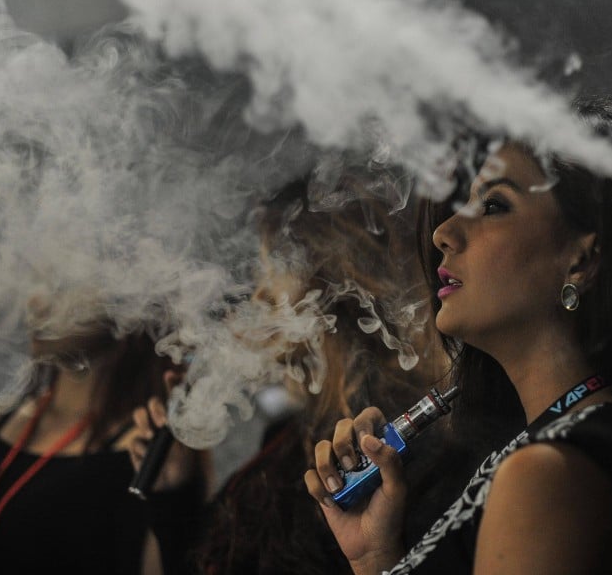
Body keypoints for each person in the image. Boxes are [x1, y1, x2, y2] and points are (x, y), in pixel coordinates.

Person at [305, 99, 612, 574]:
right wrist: (375, 557)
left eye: (493, 205)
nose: (443, 234)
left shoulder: (553, 472)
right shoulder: (550, 450)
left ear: (582, 260)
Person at [132, 175, 476, 575]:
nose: (258, 297)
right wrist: (178, 490)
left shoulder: (395, 448)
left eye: (270, 271)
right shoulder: (285, 436)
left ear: (332, 284)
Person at [0, 288, 177, 575]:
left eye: (63, 285)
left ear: (127, 298)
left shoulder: (144, 452)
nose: (36, 301)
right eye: (38, 278)